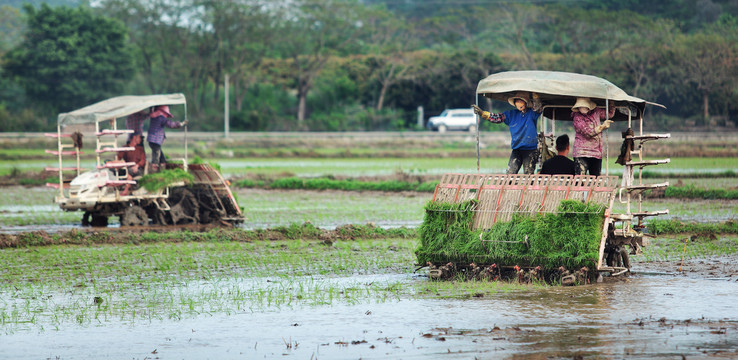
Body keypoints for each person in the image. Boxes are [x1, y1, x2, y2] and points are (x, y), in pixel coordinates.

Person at [472, 91, 542, 174]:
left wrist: (536, 97)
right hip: (517, 149)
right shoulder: (511, 114)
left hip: (530, 150)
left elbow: (538, 108)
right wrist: (483, 114)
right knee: (510, 173)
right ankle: (512, 186)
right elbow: (497, 118)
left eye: (521, 101)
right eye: (517, 101)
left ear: (526, 103)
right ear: (515, 103)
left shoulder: (532, 113)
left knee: (528, 174)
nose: (519, 103)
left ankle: (528, 187)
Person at [571, 97, 615, 176]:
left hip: (596, 152)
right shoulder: (577, 118)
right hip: (582, 152)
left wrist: (611, 102)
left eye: (584, 106)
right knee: (580, 179)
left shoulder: (596, 111)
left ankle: (594, 188)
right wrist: (602, 127)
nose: (582, 108)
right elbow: (588, 133)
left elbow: (609, 114)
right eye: (580, 106)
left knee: (596, 178)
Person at [147, 105, 186, 172]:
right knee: (155, 158)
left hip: (151, 140)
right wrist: (180, 124)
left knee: (162, 159)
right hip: (156, 140)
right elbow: (171, 124)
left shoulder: (153, 117)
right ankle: (154, 173)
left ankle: (162, 170)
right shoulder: (161, 118)